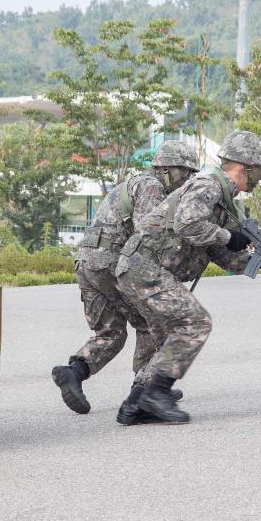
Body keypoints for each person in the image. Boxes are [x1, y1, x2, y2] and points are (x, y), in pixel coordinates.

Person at [112, 130, 261, 424]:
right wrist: (229, 236)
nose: (260, 178)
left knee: (168, 335)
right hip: (144, 267)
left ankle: (137, 404)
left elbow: (220, 253)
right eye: (259, 171)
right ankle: (156, 395)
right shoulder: (209, 185)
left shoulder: (226, 201)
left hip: (143, 268)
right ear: (246, 167)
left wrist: (256, 261)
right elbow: (188, 224)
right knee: (195, 322)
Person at [51, 140, 200, 415]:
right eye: (186, 173)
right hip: (111, 262)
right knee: (150, 320)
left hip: (87, 262)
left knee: (111, 332)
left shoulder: (134, 182)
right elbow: (149, 234)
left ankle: (74, 372)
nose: (188, 180)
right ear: (168, 168)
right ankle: (146, 387)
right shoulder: (152, 187)